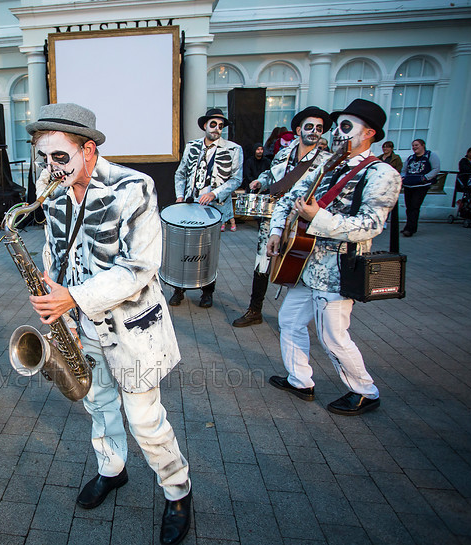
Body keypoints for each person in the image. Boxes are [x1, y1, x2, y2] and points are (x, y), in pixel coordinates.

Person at [26, 103, 192, 545]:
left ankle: (178, 491)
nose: (49, 168)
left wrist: (73, 296)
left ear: (89, 150)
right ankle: (111, 470)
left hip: (130, 329)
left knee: (145, 420)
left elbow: (139, 268)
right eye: (43, 158)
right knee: (97, 407)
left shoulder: (134, 187)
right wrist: (54, 289)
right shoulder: (54, 188)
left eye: (59, 157)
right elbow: (54, 248)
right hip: (80, 325)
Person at [266, 98, 401, 416]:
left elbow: (370, 225)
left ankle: (365, 390)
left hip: (339, 268)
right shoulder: (325, 165)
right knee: (289, 321)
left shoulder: (382, 174)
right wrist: (275, 231)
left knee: (333, 336)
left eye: (346, 127)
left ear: (368, 133)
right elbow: (289, 200)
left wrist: (318, 218)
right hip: (303, 263)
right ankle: (300, 380)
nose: (338, 134)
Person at [232, 106, 333, 328]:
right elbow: (272, 174)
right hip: (272, 217)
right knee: (263, 261)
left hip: (302, 220)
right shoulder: (284, 152)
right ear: (298, 130)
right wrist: (260, 181)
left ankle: (295, 319)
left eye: (319, 128)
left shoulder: (327, 160)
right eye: (309, 127)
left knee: (297, 264)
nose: (314, 131)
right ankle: (254, 310)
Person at [171, 108, 243, 308]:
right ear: (205, 126)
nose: (217, 129)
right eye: (213, 124)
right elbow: (181, 173)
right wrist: (179, 196)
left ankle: (207, 292)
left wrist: (214, 193)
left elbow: (236, 179)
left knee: (208, 252)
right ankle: (179, 289)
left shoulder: (233, 149)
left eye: (221, 126)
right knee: (182, 249)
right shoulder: (192, 146)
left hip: (214, 208)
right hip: (189, 205)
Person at [400, 138, 440, 237]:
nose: (414, 147)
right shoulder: (410, 158)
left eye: (416, 145)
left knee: (414, 206)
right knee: (409, 207)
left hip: (421, 186)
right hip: (409, 185)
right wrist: (403, 178)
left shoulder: (430, 155)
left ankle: (411, 229)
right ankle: (408, 226)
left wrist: (425, 178)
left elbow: (436, 168)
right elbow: (404, 169)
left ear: (423, 145)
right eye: (413, 145)